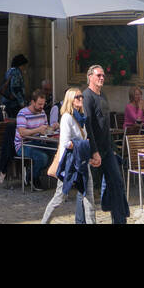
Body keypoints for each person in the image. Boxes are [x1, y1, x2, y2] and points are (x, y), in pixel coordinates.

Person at [83, 64, 130, 224]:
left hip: (107, 149)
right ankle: (82, 220)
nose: (102, 78)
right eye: (98, 75)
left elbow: (106, 125)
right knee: (87, 188)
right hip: (93, 150)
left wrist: (113, 149)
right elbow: (88, 126)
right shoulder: (87, 97)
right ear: (90, 77)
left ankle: (119, 220)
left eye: (103, 75)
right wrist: (94, 151)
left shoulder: (103, 96)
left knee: (117, 182)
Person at [41, 86, 95, 224]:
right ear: (70, 100)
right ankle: (44, 222)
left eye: (81, 96)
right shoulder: (66, 117)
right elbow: (66, 143)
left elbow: (80, 140)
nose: (81, 99)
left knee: (89, 198)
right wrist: (82, 144)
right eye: (78, 97)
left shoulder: (82, 118)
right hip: (70, 163)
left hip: (82, 162)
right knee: (60, 198)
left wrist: (84, 145)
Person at [15, 88, 55, 189]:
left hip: (37, 142)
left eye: (43, 104)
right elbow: (22, 132)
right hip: (22, 144)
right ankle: (33, 177)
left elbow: (45, 129)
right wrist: (38, 130)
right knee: (43, 157)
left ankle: (30, 173)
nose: (42, 107)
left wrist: (53, 127)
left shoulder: (42, 113)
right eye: (39, 104)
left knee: (55, 151)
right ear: (33, 102)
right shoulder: (22, 113)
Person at [1, 53, 28, 118]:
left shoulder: (9, 71)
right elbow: (16, 89)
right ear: (21, 65)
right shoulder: (16, 72)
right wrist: (22, 103)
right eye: (24, 65)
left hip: (6, 101)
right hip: (14, 104)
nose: (25, 67)